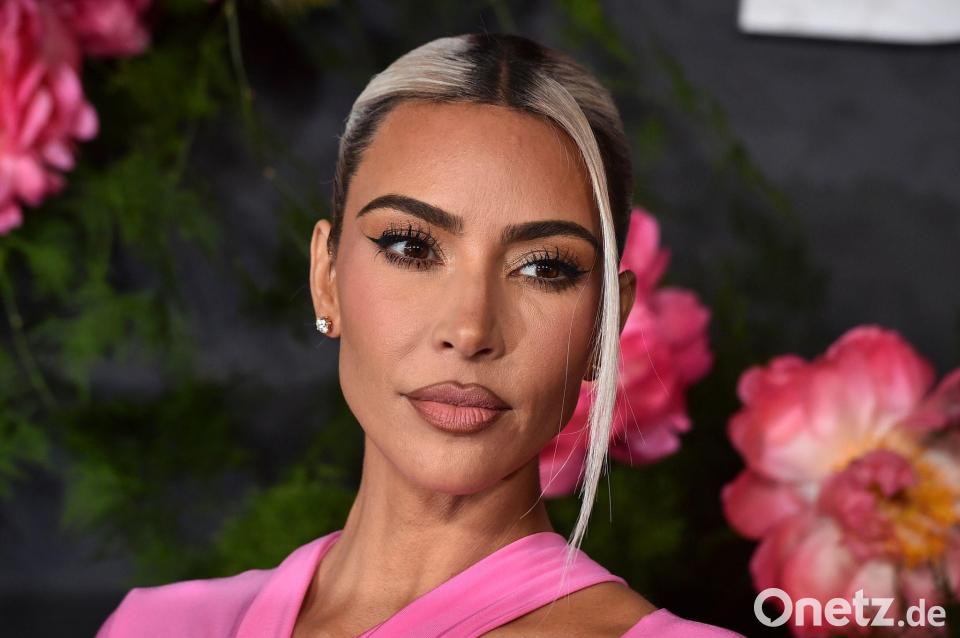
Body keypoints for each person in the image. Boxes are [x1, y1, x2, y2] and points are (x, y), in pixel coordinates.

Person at [97, 32, 747, 637]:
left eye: (544, 268)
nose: (469, 330)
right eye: (411, 247)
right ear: (326, 277)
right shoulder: (156, 626)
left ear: (608, 322)